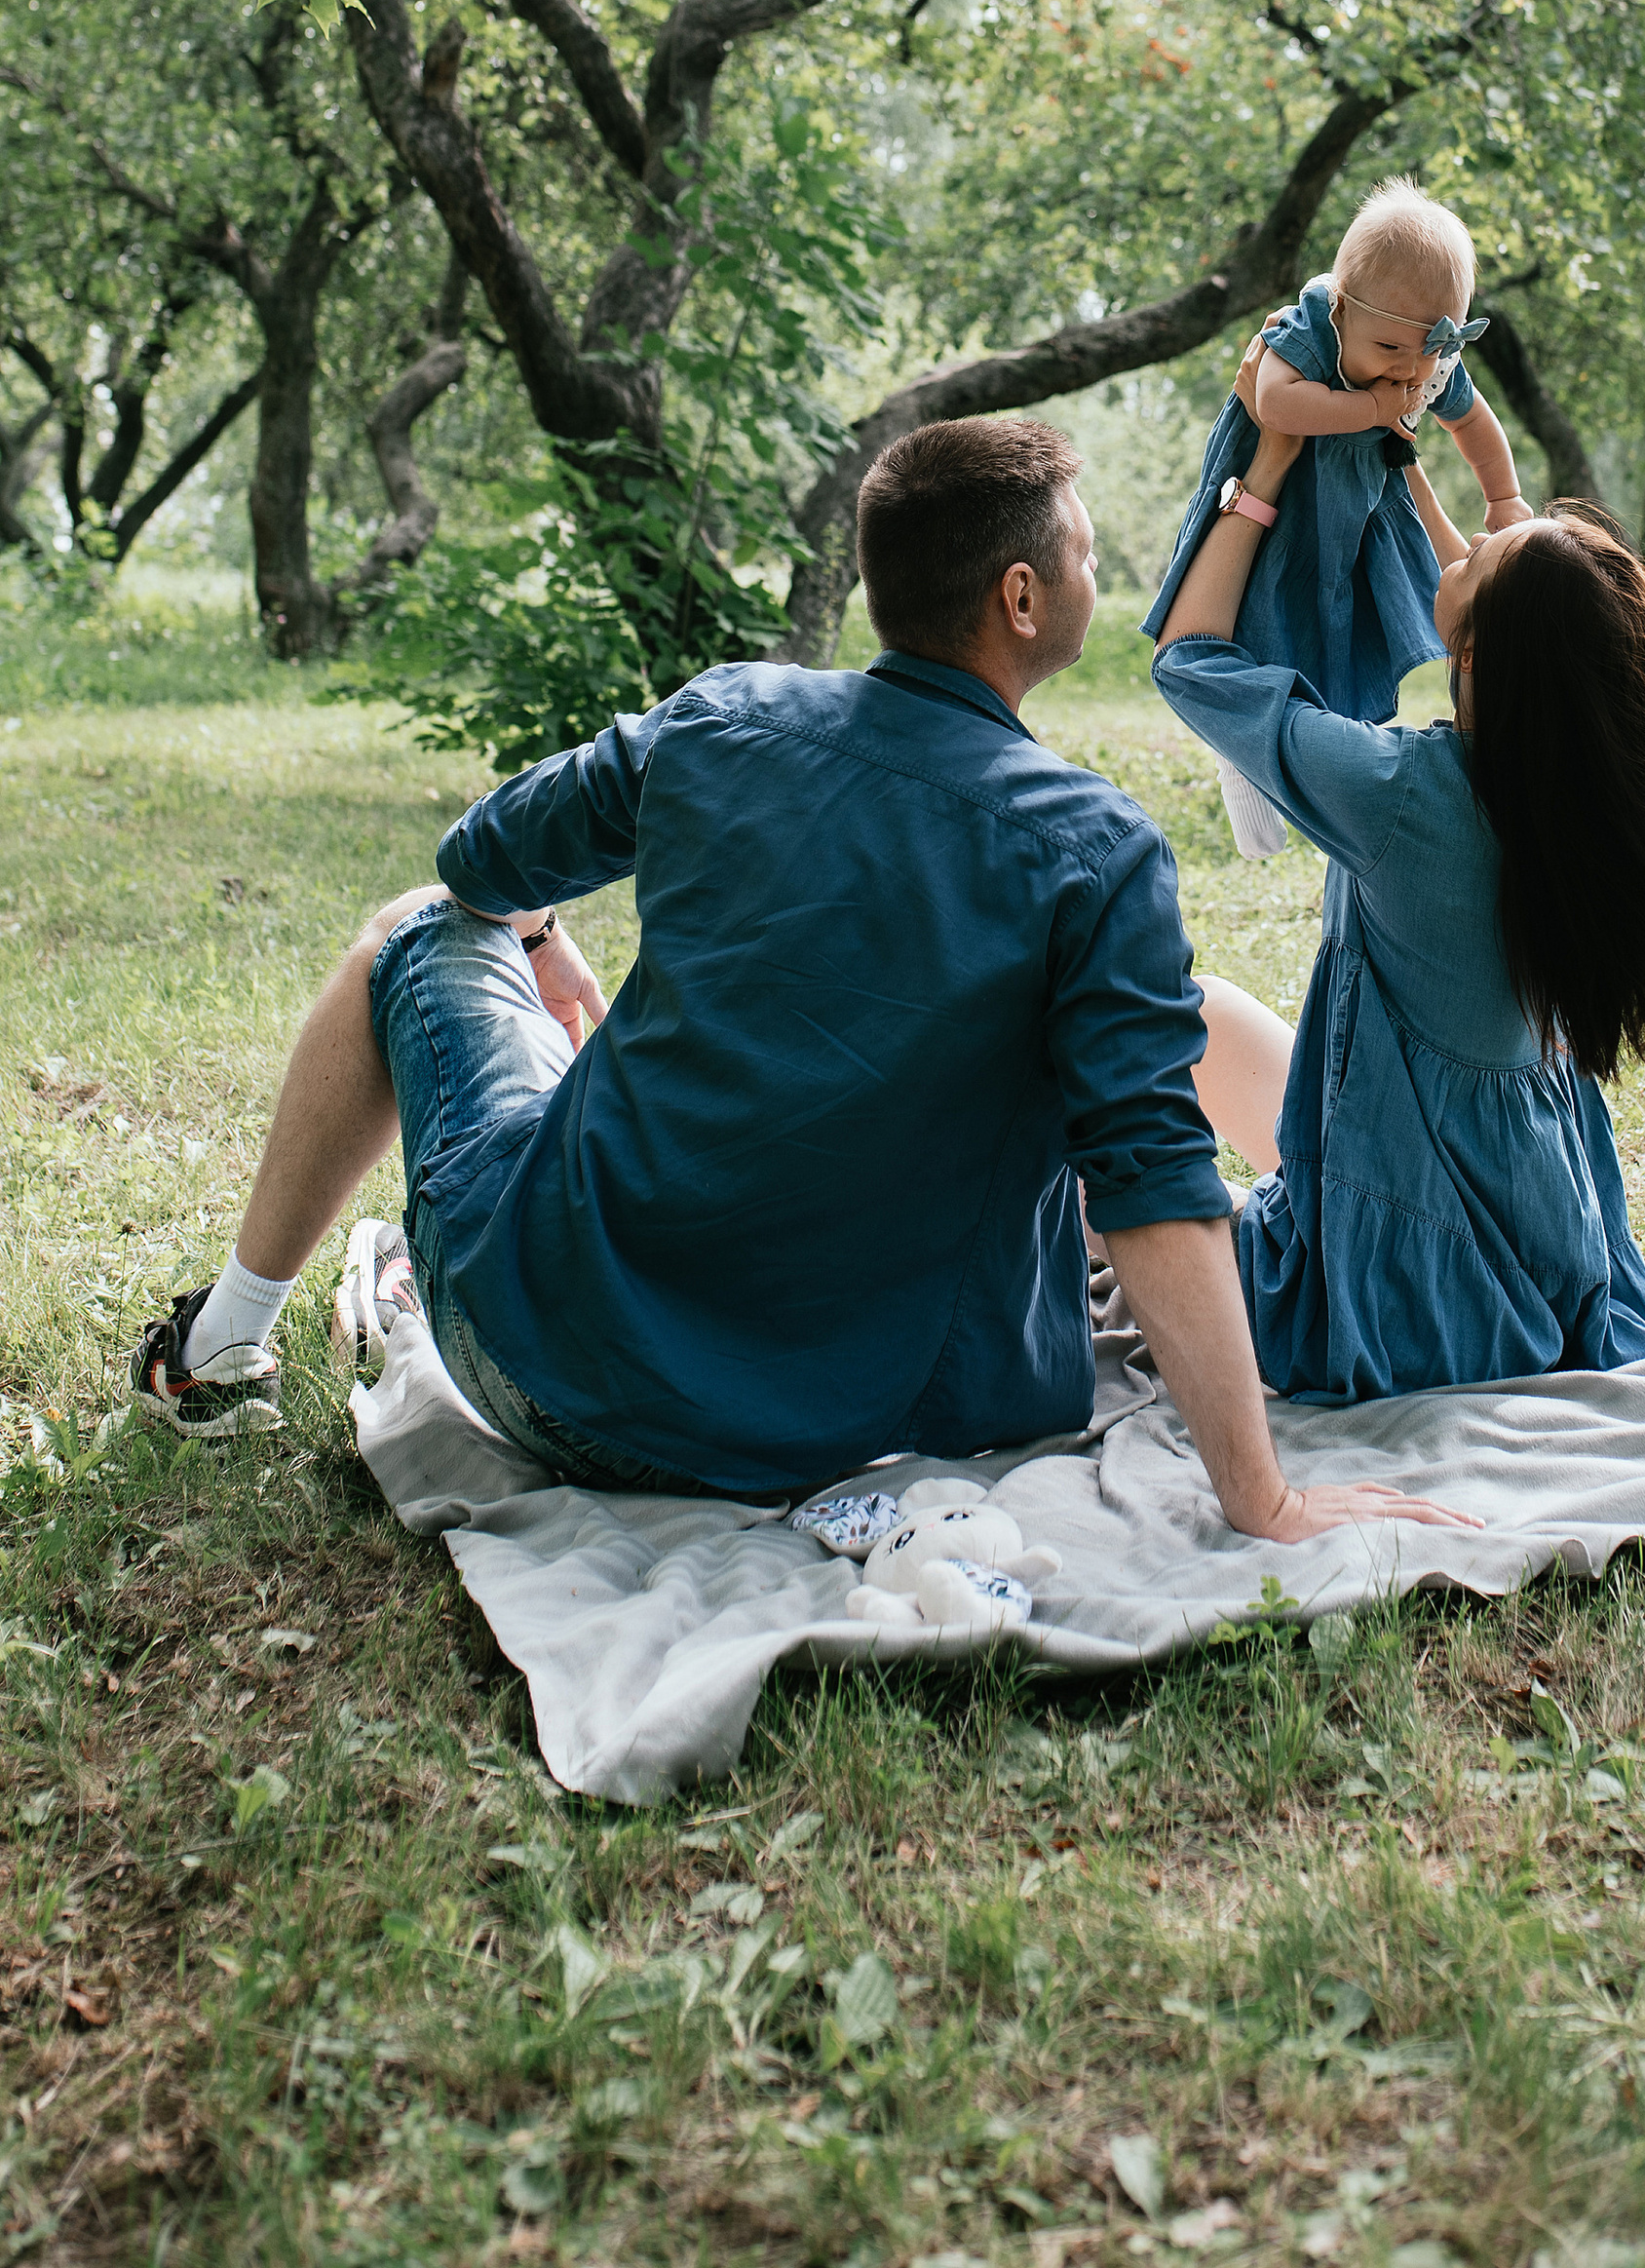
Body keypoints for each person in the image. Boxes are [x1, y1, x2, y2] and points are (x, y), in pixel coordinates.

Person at [129, 414, 1470, 1546]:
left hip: (546, 1362)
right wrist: (1264, 1499)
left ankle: (219, 1346)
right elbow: (1153, 1184)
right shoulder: (1096, 852)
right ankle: (224, 1343)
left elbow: (478, 859)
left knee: (417, 927)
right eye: (1085, 554)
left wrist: (533, 931)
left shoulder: (722, 718)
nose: (1093, 574)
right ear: (1020, 598)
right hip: (861, 1424)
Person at [1152, 347, 1645, 1397]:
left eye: (1478, 559)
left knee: (1122, 1134)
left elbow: (1191, 662)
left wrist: (1266, 470)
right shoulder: (1582, 801)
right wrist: (1400, 461)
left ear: (1482, 657)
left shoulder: (1403, 794)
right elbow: (1490, 588)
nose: (1462, 548)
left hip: (1406, 1276)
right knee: (1195, 1011)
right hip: (1535, 1232)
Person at [1142, 181, 1531, 864]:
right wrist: (1373, 414)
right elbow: (1277, 403)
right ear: (1342, 309)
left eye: (1429, 352)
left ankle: (1326, 742)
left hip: (1363, 508)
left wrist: (1502, 498)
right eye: (1388, 348)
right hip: (1284, 498)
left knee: (1351, 622)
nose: (1408, 371)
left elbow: (1471, 421)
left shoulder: (1429, 359)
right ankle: (1242, 751)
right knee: (1262, 611)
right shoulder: (1311, 329)